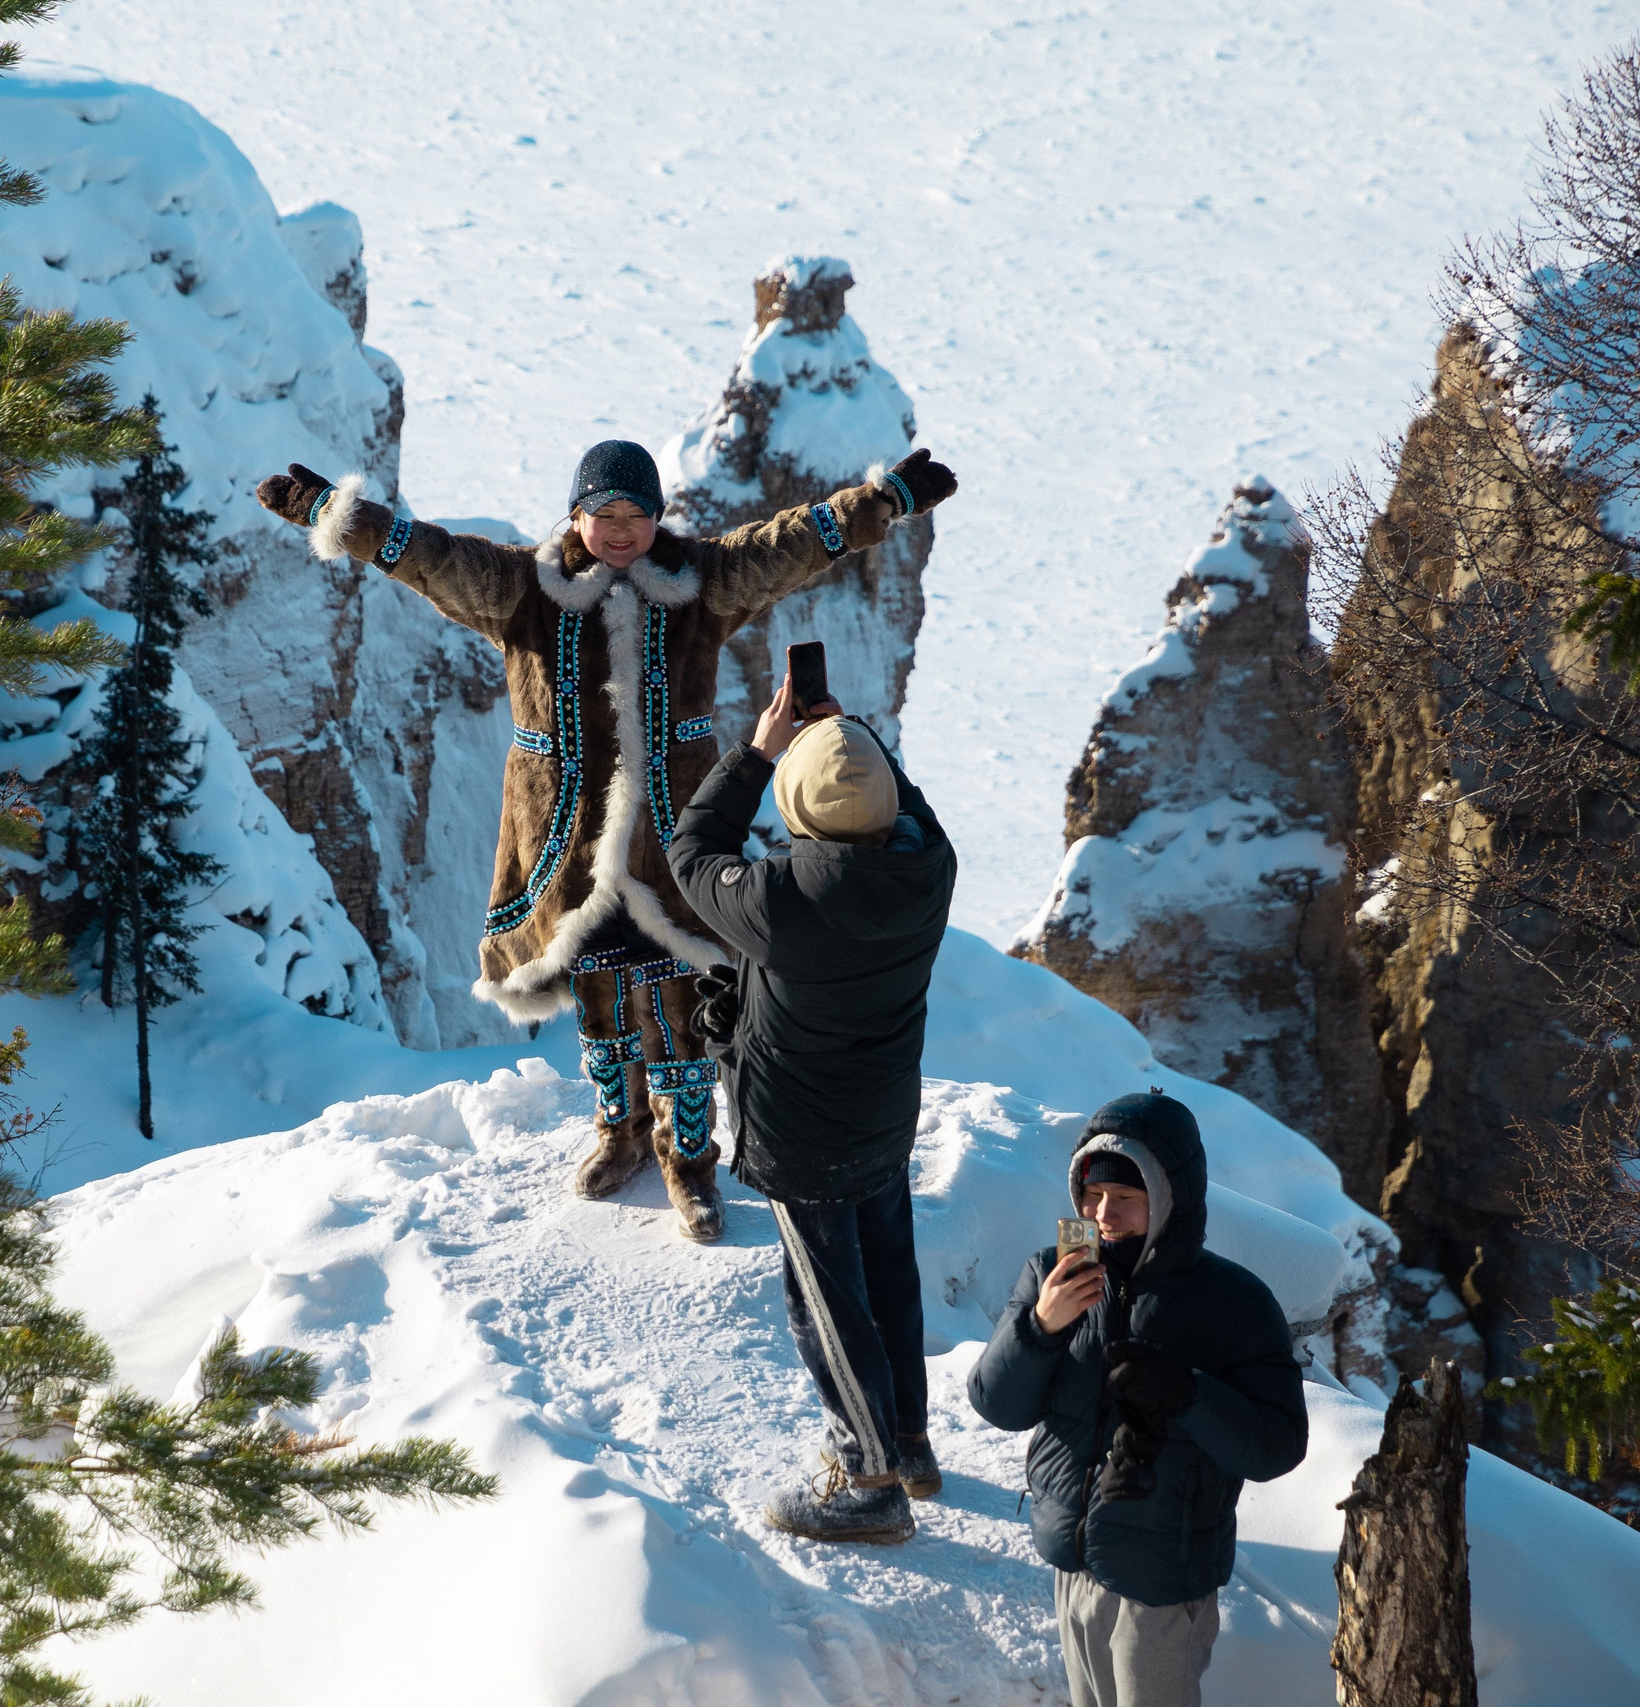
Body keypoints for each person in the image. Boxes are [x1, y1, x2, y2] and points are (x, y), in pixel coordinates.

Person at [254, 441, 957, 1242]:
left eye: (637, 515)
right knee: (600, 1001)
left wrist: (884, 500)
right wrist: (337, 516)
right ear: (576, 513)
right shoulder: (522, 586)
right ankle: (618, 1131)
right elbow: (429, 556)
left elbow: (788, 543)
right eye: (603, 514)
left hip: (671, 846)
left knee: (681, 1008)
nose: (620, 532)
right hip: (567, 846)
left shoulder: (703, 581)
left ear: (658, 518)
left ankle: (689, 1162)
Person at [667, 675, 957, 1542]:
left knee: (828, 1302)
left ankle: (867, 1479)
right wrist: (856, 745)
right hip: (882, 1116)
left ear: (798, 809)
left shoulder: (776, 902)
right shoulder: (929, 871)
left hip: (803, 1135)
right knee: (889, 1275)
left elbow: (691, 848)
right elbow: (914, 812)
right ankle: (907, 1440)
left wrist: (759, 750)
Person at [967, 1091, 1309, 1707]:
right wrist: (1039, 1327)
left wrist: (1188, 1392)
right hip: (1072, 1557)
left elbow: (1276, 1447)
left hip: (1162, 1578)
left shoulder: (1235, 1302)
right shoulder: (1052, 1272)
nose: (1104, 1214)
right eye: (1092, 1196)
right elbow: (999, 1406)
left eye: (1127, 1198)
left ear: (1170, 1199)